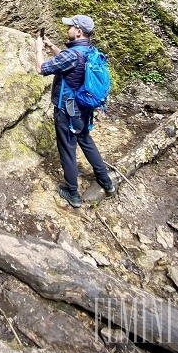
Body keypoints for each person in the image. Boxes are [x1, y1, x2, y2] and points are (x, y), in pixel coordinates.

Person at [35, 14, 115, 208]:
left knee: (67, 150)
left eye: (70, 26)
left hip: (67, 111)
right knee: (86, 141)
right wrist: (53, 47)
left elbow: (41, 69)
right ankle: (106, 181)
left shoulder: (71, 55)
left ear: (78, 31)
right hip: (83, 108)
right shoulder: (88, 50)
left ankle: (73, 193)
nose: (67, 28)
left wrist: (38, 49)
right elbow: (70, 62)